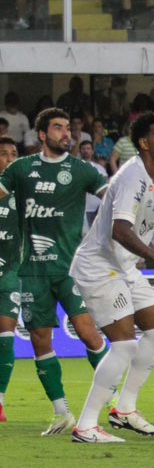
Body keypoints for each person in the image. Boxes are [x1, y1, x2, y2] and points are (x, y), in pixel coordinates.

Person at [68, 113, 154, 443]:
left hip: (124, 267)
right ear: (145, 143)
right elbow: (121, 229)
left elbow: (135, 230)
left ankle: (124, 409)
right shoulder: (133, 175)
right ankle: (86, 426)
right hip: (99, 266)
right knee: (124, 345)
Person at [0, 108, 111, 435]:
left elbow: (112, 201)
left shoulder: (82, 170)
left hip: (70, 268)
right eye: (59, 128)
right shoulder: (21, 169)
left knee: (88, 332)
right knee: (39, 339)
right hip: (32, 271)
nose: (67, 133)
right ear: (43, 135)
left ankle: (115, 401)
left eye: (68, 127)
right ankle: (62, 412)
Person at [0, 138, 21, 423]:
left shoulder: (24, 193)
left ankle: (0, 402)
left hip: (11, 273)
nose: (9, 158)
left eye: (14, 154)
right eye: (3, 154)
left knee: (5, 336)